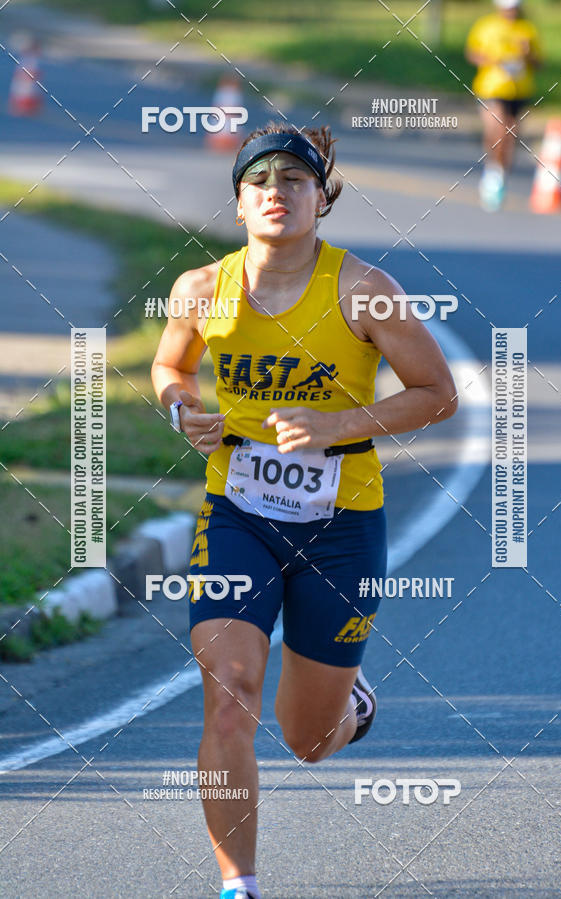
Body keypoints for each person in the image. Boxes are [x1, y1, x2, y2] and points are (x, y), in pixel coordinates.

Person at [151, 123, 458, 899]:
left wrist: (335, 425)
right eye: (259, 181)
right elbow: (169, 363)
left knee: (307, 739)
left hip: (341, 528)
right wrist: (181, 406)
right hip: (237, 515)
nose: (276, 193)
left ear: (322, 198)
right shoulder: (201, 288)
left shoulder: (364, 290)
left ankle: (349, 702)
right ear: (238, 203)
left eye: (294, 180)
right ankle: (239, 884)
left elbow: (438, 393)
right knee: (229, 693)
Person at [465, 0, 542, 211]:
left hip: (519, 90)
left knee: (510, 134)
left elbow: (539, 62)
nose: (511, 11)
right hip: (491, 88)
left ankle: (500, 174)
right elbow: (472, 52)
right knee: (497, 128)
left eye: (513, 8)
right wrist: (493, 60)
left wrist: (528, 55)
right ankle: (492, 172)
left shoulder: (527, 29)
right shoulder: (486, 26)